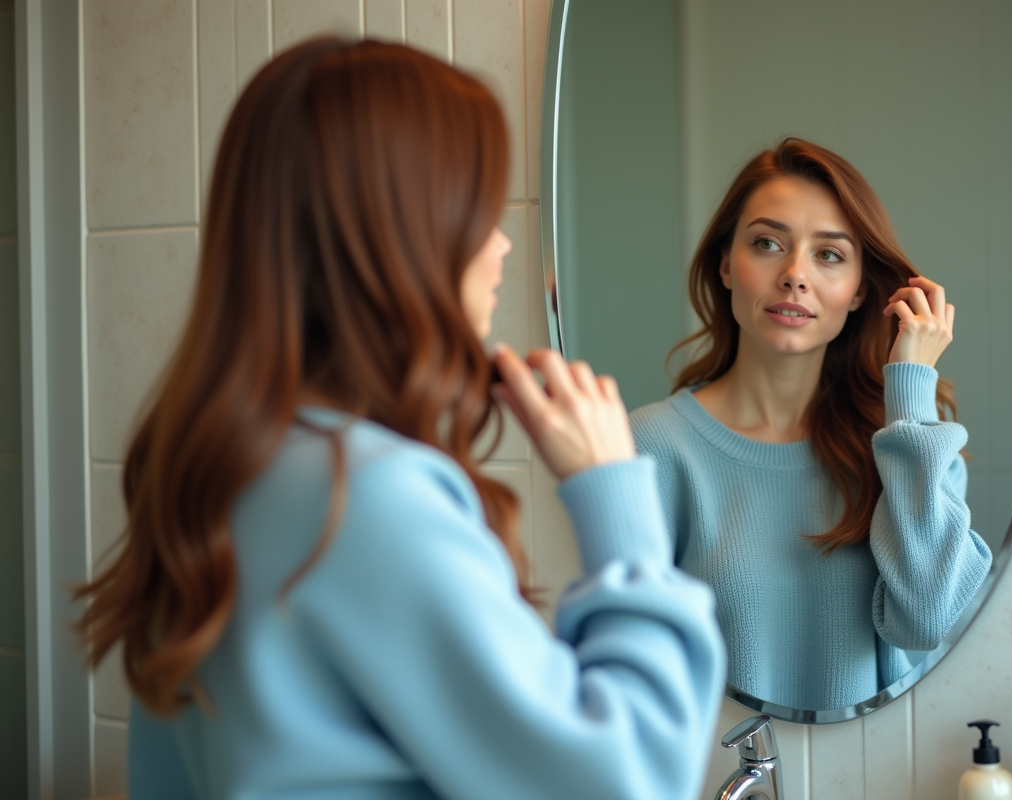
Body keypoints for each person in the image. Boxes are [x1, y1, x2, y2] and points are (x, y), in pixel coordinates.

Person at [74, 37, 724, 800]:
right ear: (401, 237)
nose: (503, 245)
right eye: (478, 214)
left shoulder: (215, 470)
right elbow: (631, 779)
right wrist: (615, 497)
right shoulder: (366, 497)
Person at [630, 138, 991, 712]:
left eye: (829, 255)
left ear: (858, 294)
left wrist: (910, 392)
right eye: (768, 243)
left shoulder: (908, 442)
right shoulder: (650, 447)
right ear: (726, 264)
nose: (795, 275)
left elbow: (926, 623)